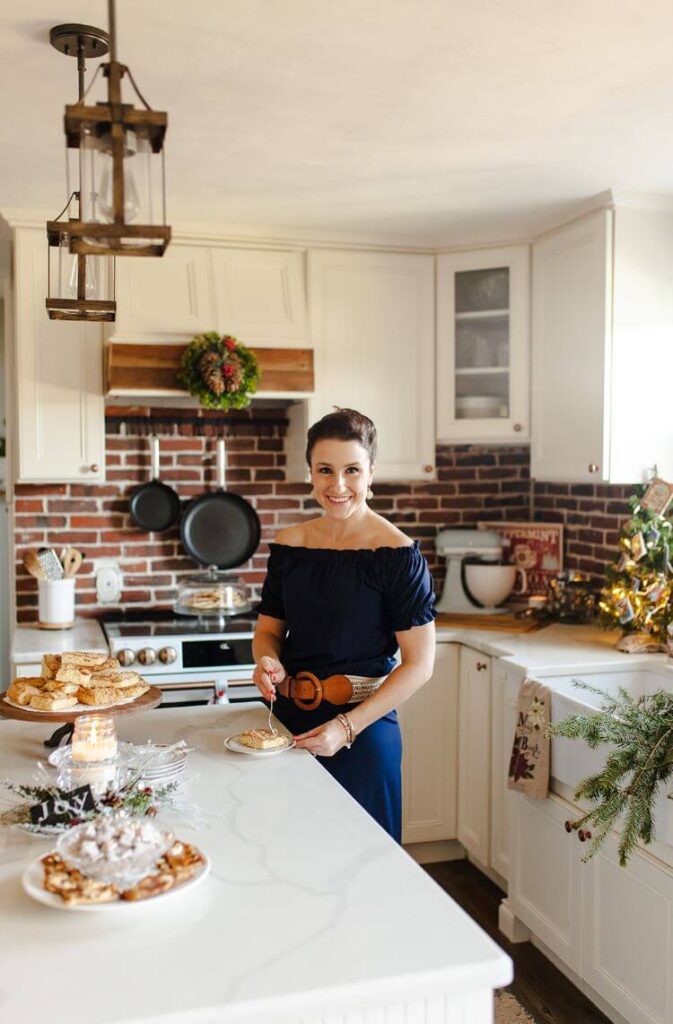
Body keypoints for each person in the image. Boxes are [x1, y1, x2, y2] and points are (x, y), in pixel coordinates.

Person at [252, 408, 436, 841]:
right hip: (284, 728)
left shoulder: (397, 555)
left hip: (363, 737)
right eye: (325, 470)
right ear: (311, 474)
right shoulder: (289, 546)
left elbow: (419, 665)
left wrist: (347, 727)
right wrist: (266, 660)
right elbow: (268, 632)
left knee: (364, 871)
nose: (338, 485)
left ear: (371, 473)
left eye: (352, 470)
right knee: (285, 859)